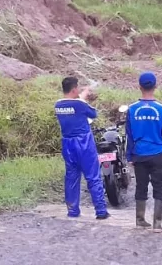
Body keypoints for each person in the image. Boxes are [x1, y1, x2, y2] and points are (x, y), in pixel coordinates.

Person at [54, 77, 109, 220]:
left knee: (71, 177)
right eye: (77, 88)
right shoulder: (80, 104)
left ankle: (72, 210)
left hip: (67, 143)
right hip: (84, 143)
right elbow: (93, 113)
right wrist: (84, 97)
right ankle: (101, 211)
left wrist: (81, 97)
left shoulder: (58, 105)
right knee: (93, 176)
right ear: (74, 89)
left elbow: (73, 106)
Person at [126, 72, 162, 233]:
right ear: (155, 86)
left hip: (139, 154)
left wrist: (129, 156)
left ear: (139, 87)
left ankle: (140, 220)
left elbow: (129, 135)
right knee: (159, 186)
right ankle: (157, 224)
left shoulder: (132, 109)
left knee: (141, 186)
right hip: (159, 153)